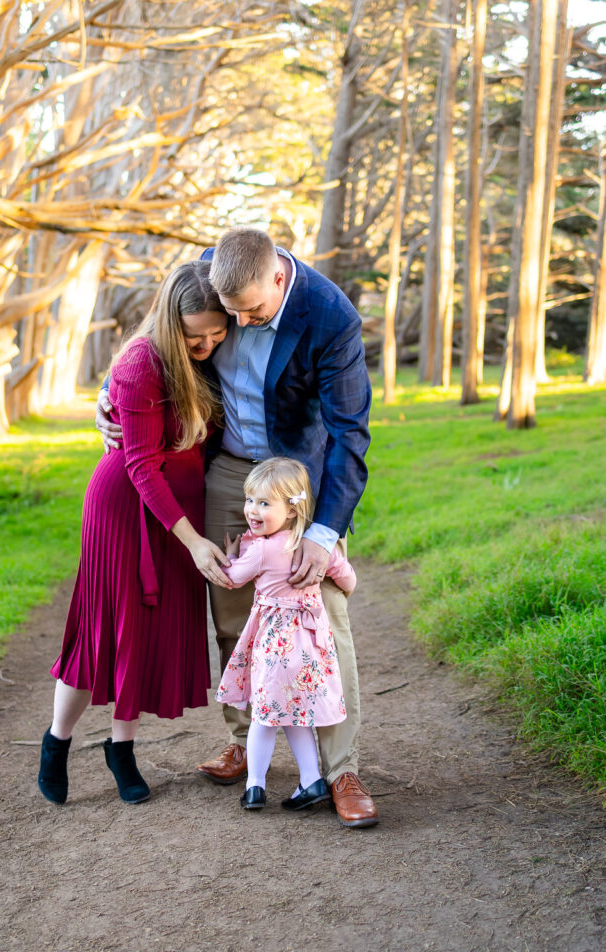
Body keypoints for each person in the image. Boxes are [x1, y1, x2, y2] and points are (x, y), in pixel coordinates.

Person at [98, 228, 378, 827]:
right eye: (232, 313)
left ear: (279, 275)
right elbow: (156, 334)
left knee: (322, 617)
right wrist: (110, 393)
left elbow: (350, 438)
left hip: (294, 478)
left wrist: (324, 534)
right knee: (233, 611)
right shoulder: (208, 278)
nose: (241, 322)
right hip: (225, 468)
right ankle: (248, 736)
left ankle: (341, 768)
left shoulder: (330, 317)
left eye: (253, 310)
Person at [38, 261, 230, 806]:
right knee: (102, 630)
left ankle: (121, 749)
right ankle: (57, 742)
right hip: (126, 508)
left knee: (148, 632)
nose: (209, 343)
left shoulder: (210, 358)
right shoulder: (142, 362)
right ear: (171, 323)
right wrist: (194, 541)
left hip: (180, 511)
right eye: (196, 335)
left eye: (218, 332)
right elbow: (143, 465)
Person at [215, 457, 356, 813]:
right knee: (297, 716)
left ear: (292, 510)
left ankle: (254, 786)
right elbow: (347, 576)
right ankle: (310, 781)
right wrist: (345, 590)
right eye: (250, 500)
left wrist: (232, 556)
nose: (252, 510)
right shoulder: (314, 547)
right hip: (310, 647)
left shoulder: (260, 549)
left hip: (275, 648)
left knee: (265, 717)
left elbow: (232, 579)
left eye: (264, 503)